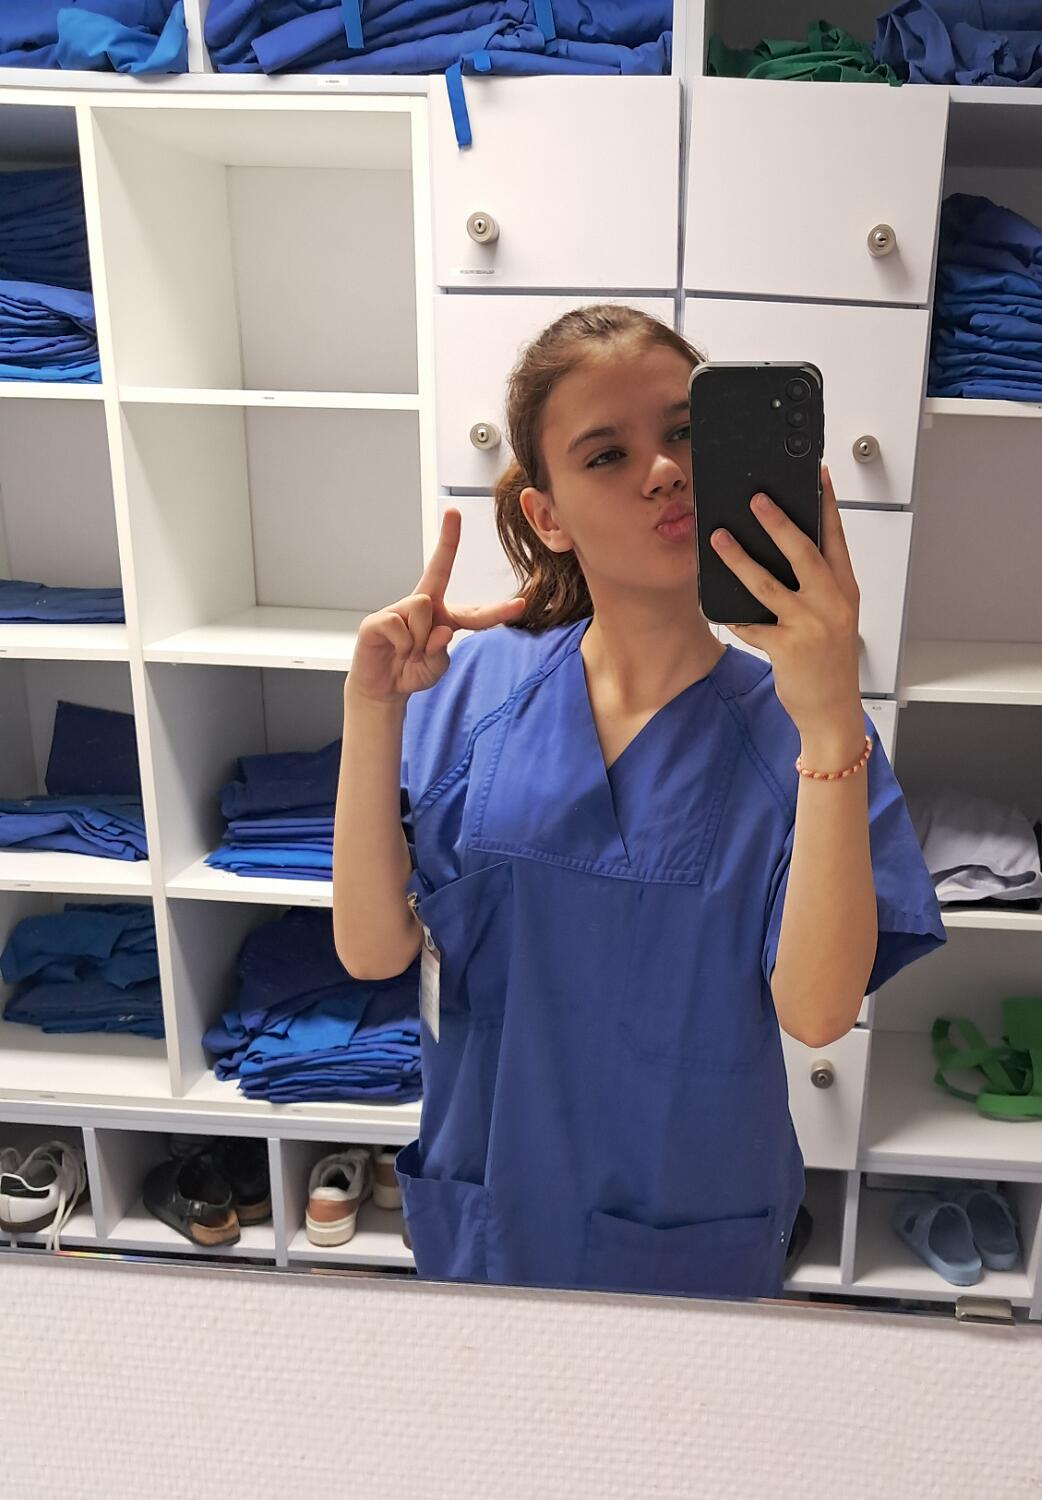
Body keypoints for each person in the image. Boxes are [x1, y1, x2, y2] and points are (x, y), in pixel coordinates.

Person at [332, 304, 946, 1300]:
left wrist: (834, 713)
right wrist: (370, 709)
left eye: (686, 432)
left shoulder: (805, 735)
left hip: (693, 1241)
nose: (663, 470)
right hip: (487, 1222)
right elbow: (371, 952)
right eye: (607, 454)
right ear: (549, 517)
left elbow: (817, 1013)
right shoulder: (468, 691)